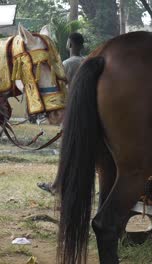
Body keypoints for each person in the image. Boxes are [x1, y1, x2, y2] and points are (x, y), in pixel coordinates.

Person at [37, 32, 85, 194]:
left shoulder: (66, 64)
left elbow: (57, 90)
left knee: (66, 149)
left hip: (71, 111)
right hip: (89, 113)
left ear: (69, 44)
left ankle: (57, 184)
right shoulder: (86, 62)